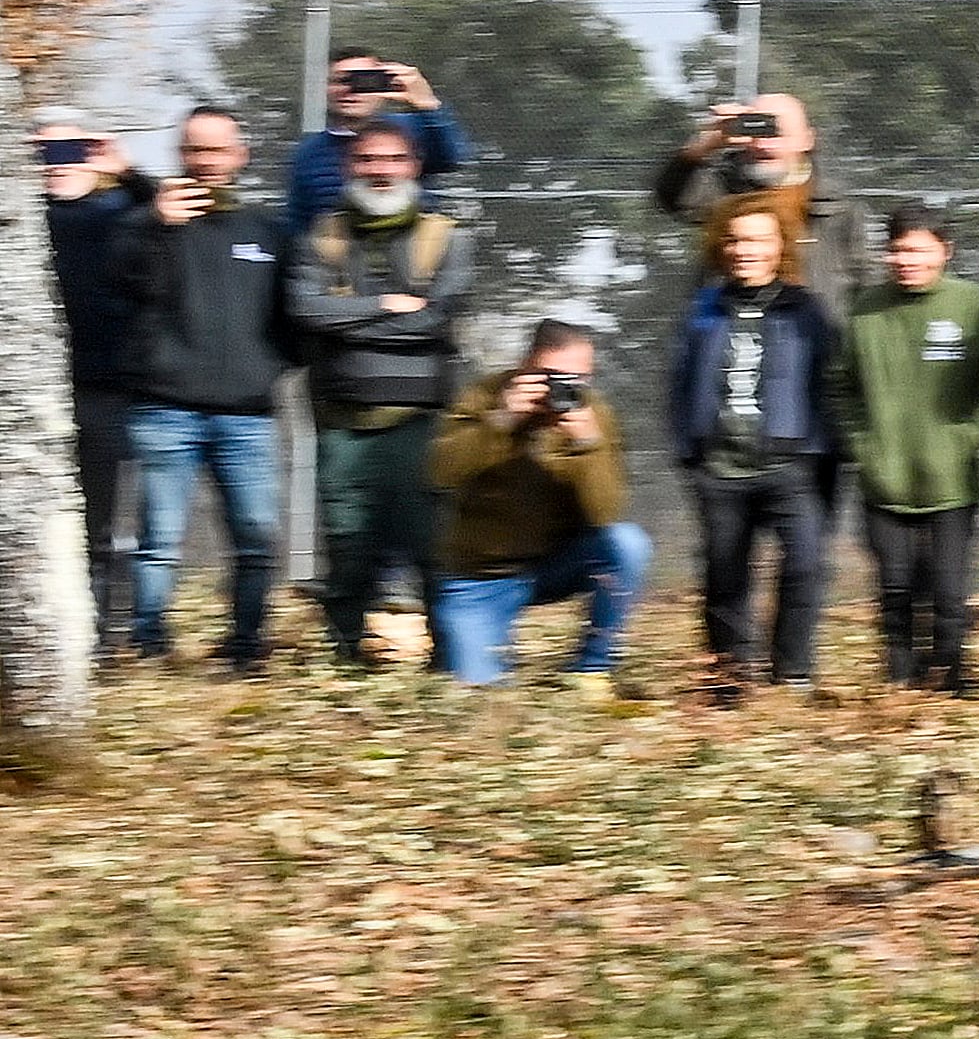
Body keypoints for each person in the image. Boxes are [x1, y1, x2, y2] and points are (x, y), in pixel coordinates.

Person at [287, 118, 478, 667]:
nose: (380, 170)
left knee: (431, 546)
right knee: (348, 545)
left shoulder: (447, 237)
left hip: (421, 422)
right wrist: (385, 307)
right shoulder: (319, 237)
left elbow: (438, 321)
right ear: (350, 166)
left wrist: (348, 321)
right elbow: (306, 311)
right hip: (342, 422)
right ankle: (348, 657)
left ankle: (452, 661)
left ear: (414, 165)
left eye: (393, 159)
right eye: (368, 160)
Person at [122, 107, 292, 673]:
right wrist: (156, 225)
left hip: (247, 415)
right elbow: (124, 282)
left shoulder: (269, 232)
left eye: (218, 150)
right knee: (158, 540)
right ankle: (150, 646)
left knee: (256, 537)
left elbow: (293, 318)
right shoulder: (148, 224)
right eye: (196, 150)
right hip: (166, 410)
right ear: (180, 155)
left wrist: (266, 369)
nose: (206, 161)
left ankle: (247, 646)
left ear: (239, 156)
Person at [833, 204, 979, 695]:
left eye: (917, 249)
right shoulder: (864, 309)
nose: (906, 259)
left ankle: (949, 678)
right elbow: (839, 387)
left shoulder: (971, 304)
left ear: (944, 252)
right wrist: (862, 445)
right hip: (882, 478)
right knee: (895, 588)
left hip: (952, 480)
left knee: (950, 591)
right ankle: (899, 679)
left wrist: (965, 438)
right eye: (897, 249)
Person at [668, 197, 837, 698]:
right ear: (723, 247)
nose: (746, 250)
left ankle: (792, 676)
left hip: (790, 465)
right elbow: (679, 382)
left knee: (806, 565)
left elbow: (827, 383)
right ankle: (731, 680)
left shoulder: (807, 311)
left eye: (759, 239)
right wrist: (688, 449)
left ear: (780, 246)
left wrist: (819, 449)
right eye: (736, 239)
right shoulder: (704, 308)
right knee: (725, 577)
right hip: (720, 469)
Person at [430, 320, 651, 690]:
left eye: (577, 379)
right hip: (481, 577)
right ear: (525, 366)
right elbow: (440, 472)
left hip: (556, 564)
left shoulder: (592, 415)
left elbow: (606, 513)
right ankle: (487, 651)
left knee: (628, 544)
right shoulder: (484, 396)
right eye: (551, 377)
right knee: (480, 693)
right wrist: (501, 421)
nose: (563, 389)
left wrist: (588, 445)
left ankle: (594, 667)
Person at [39, 116, 153, 658]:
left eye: (72, 148)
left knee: (102, 520)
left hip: (105, 389)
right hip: (28, 397)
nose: (58, 160)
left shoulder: (122, 214)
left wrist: (127, 171)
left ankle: (101, 633)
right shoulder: (21, 218)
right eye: (44, 150)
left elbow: (176, 217)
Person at [653, 93, 866, 313]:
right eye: (756, 131)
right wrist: (706, 145)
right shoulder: (725, 191)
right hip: (733, 334)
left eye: (776, 133)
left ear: (807, 140)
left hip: (813, 339)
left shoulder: (839, 210)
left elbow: (867, 283)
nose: (764, 145)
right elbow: (673, 198)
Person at [282, 49, 473, 239]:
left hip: (413, 253)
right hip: (340, 258)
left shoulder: (412, 129)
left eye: (363, 80)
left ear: (383, 84)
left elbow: (453, 158)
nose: (350, 89)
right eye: (340, 81)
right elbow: (298, 226)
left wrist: (427, 103)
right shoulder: (308, 153)